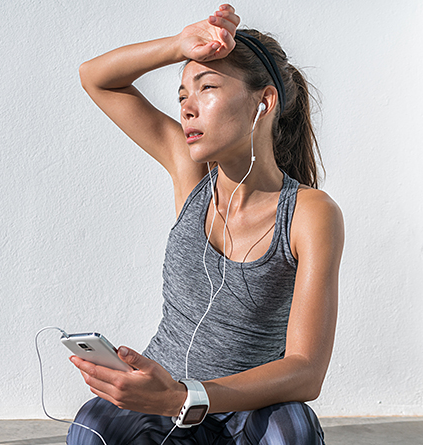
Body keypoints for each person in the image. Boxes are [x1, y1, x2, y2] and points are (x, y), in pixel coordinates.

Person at [68, 4, 344, 444]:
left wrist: (185, 396)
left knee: (291, 431)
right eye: (181, 96)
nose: (187, 108)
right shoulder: (191, 175)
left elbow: (306, 371)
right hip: (162, 399)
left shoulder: (309, 213)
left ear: (264, 101)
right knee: (93, 427)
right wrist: (179, 45)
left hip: (244, 409)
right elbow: (96, 77)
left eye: (207, 87)